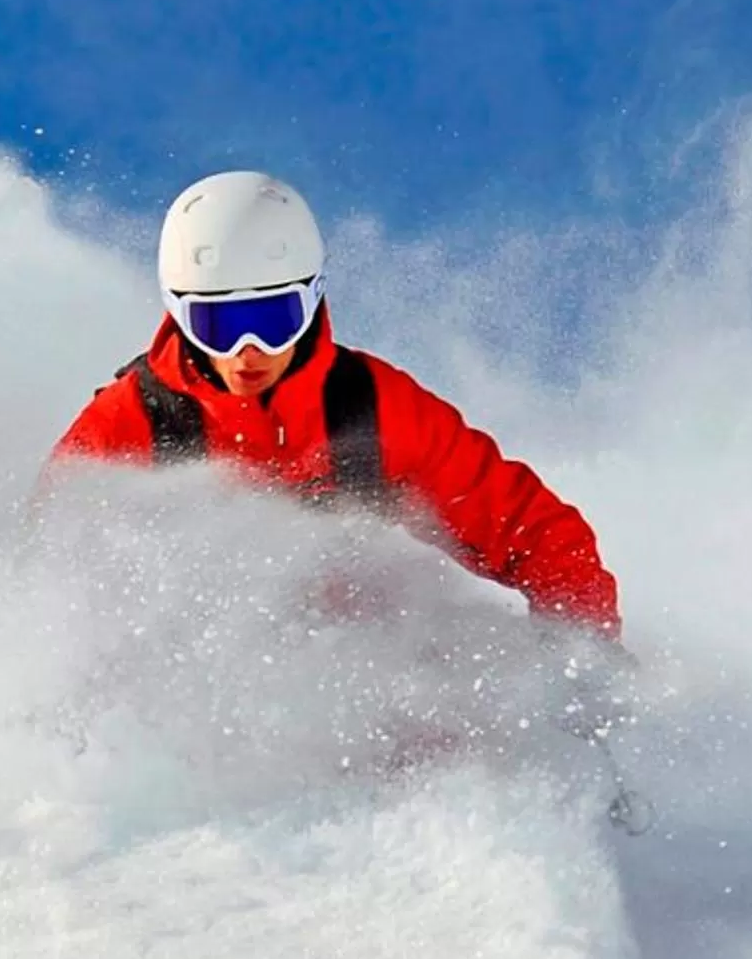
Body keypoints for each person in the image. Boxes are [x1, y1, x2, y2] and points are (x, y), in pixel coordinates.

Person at [47, 171, 622, 638]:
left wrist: (585, 658)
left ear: (312, 299)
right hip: (199, 697)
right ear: (179, 313)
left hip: (354, 684)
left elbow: (532, 531)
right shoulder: (137, 420)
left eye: (274, 320)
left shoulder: (370, 409)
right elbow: (48, 563)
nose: (249, 353)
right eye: (219, 325)